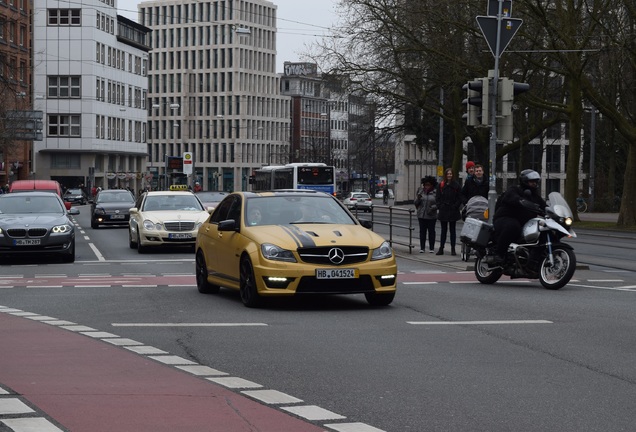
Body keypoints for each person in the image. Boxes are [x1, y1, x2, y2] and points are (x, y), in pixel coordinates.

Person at [492, 169, 546, 264]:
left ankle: (535, 259)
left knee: (543, 231)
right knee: (513, 226)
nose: (534, 184)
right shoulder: (515, 189)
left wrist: (555, 213)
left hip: (524, 224)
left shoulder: (535, 197)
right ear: (524, 181)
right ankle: (499, 254)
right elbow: (511, 197)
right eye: (532, 181)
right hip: (504, 218)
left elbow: (544, 207)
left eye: (536, 182)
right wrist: (521, 201)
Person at [435, 168, 462, 256]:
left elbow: (459, 198)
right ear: (445, 175)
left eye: (450, 174)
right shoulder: (441, 185)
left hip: (453, 210)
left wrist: (455, 206)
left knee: (452, 231)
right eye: (448, 174)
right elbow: (437, 197)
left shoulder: (456, 185)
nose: (449, 175)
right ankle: (441, 248)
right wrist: (440, 206)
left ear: (452, 175)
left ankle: (453, 249)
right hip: (444, 210)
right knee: (443, 231)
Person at [414, 176, 437, 253]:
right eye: (425, 185)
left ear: (432, 185)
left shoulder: (435, 192)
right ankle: (422, 248)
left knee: (431, 231)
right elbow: (416, 203)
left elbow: (438, 203)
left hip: (431, 215)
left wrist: (433, 208)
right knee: (422, 232)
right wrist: (418, 199)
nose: (427, 186)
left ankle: (431, 248)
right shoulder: (421, 192)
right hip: (422, 215)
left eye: (428, 185)